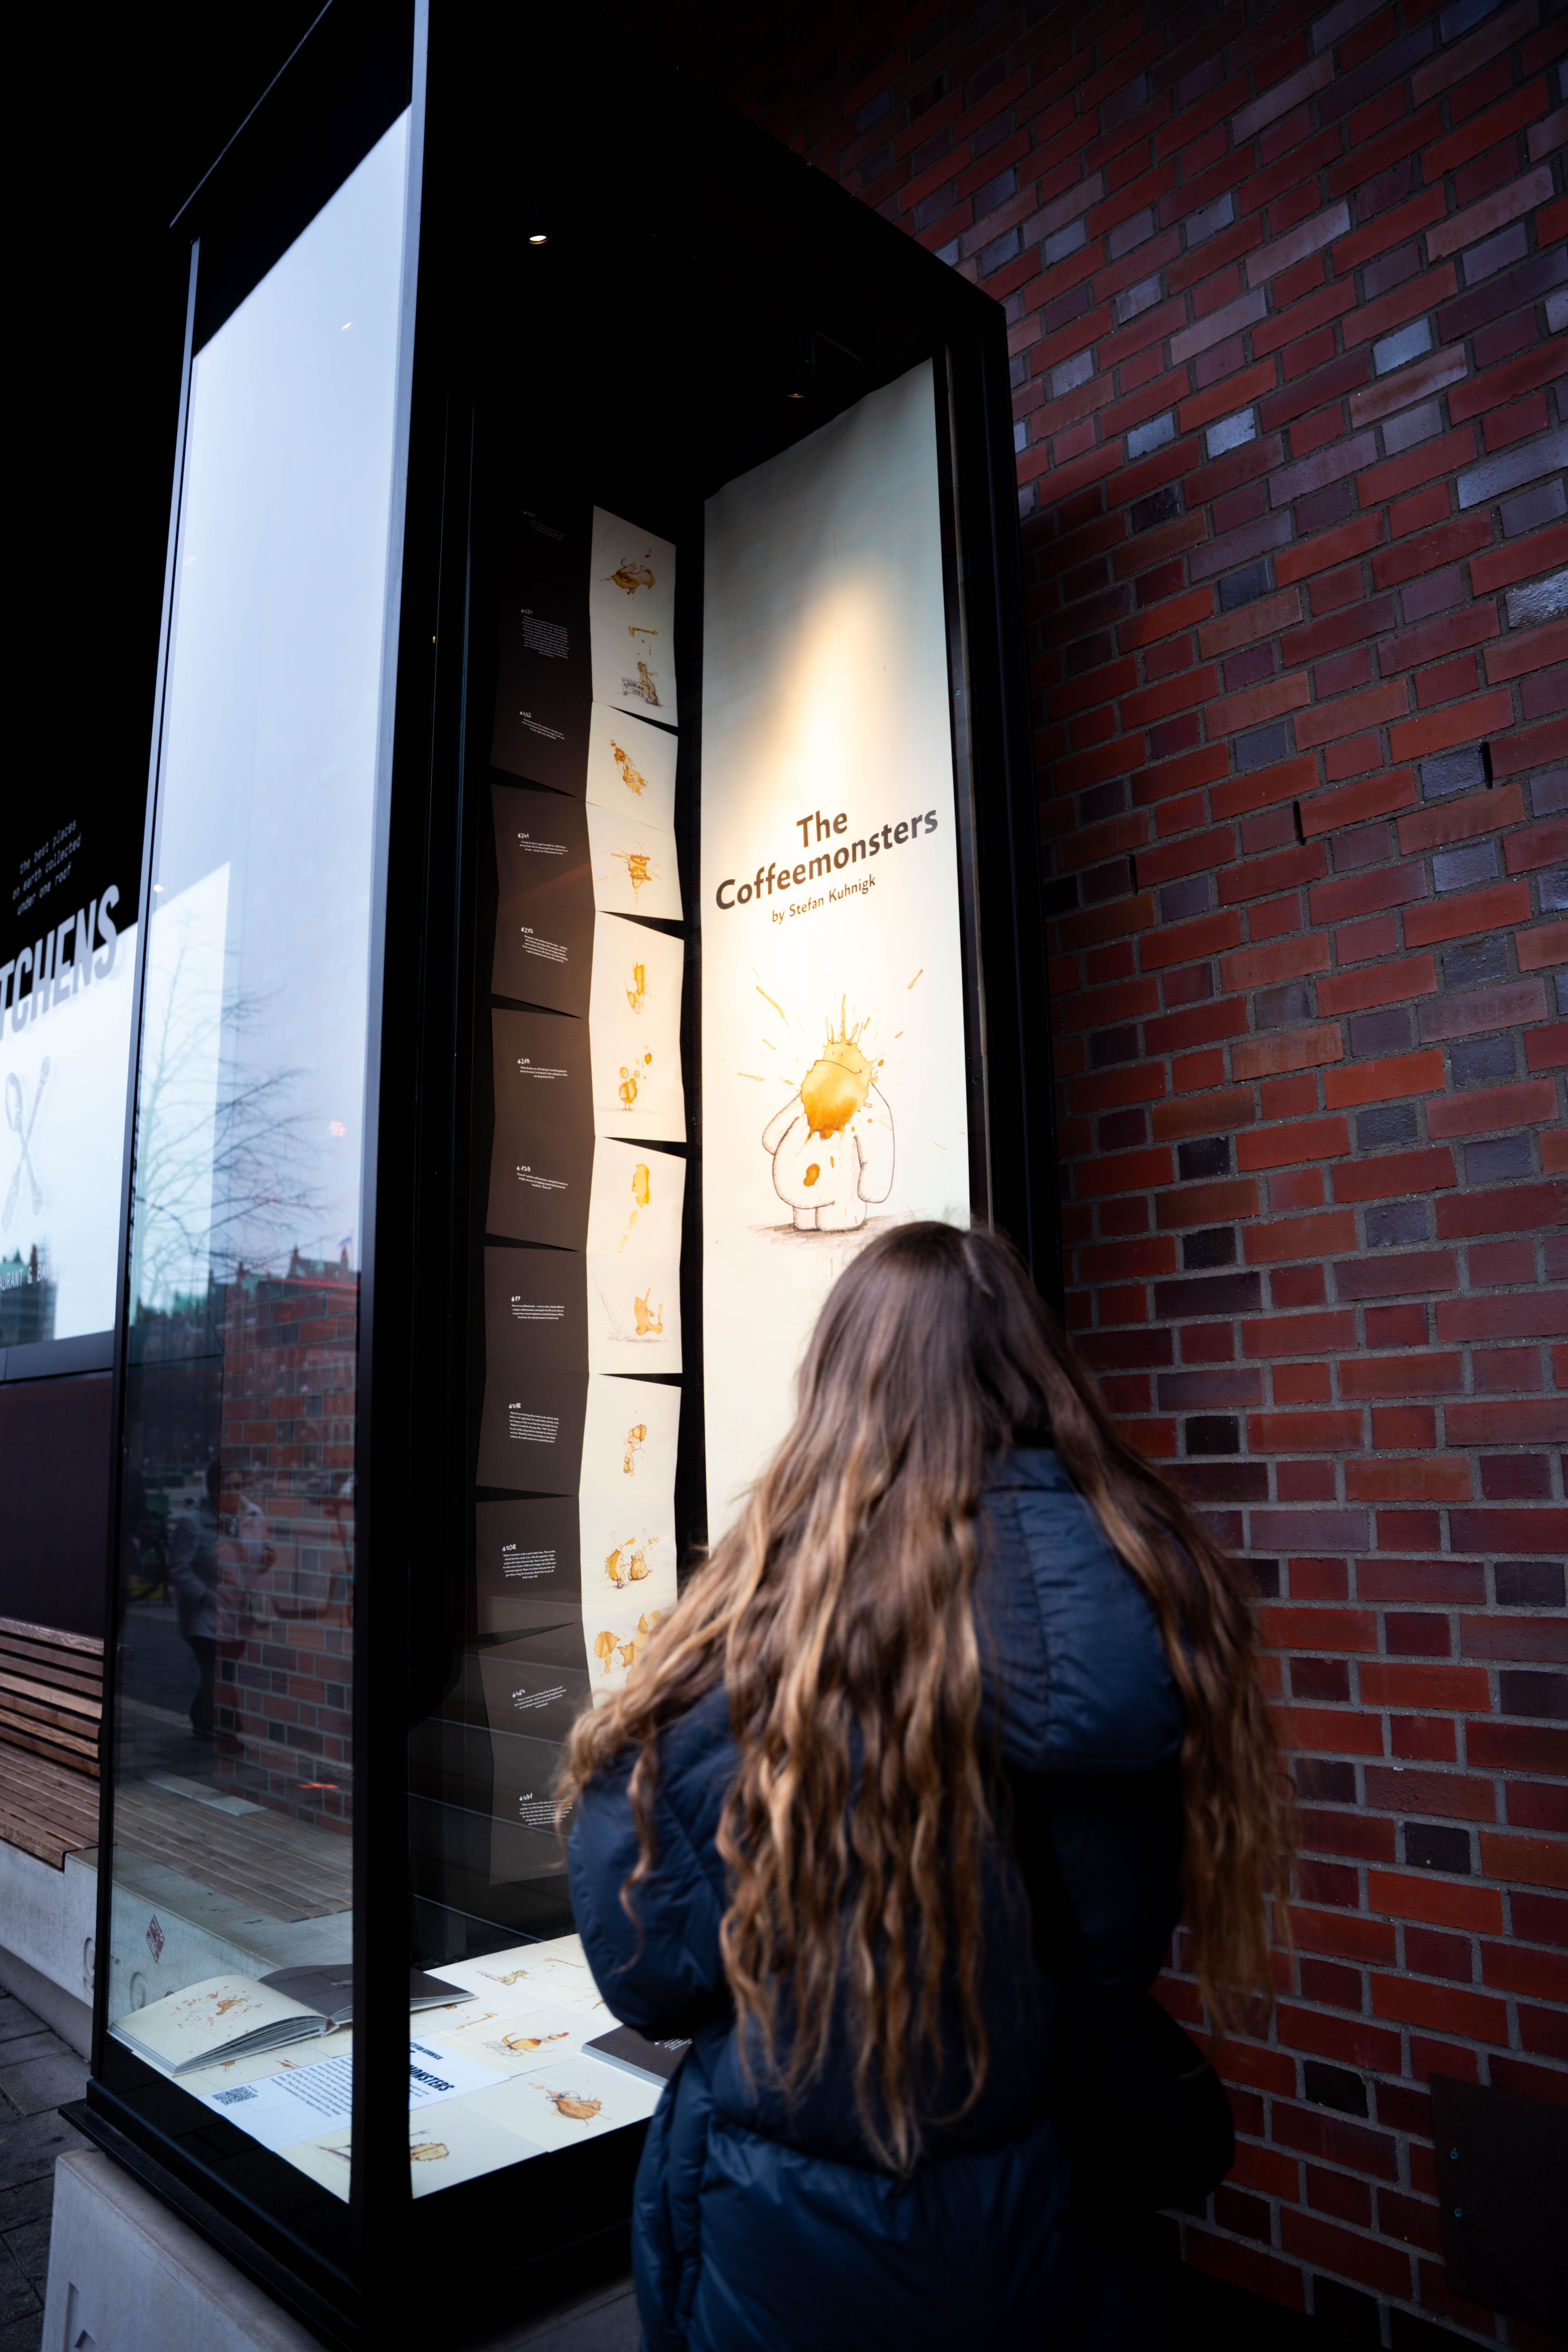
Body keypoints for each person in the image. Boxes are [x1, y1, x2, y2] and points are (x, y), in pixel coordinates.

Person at [561, 1222, 1289, 2351]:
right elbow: (1117, 1938)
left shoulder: (757, 1653)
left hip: (791, 2232)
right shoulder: (1149, 1602)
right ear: (1037, 1374)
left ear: (837, 1390)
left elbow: (649, 1974)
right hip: (1047, 2203)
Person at [168, 1456, 220, 1738]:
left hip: (230, 1614)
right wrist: (205, 1596)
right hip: (202, 1616)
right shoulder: (192, 1523)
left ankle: (205, 1721)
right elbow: (179, 1569)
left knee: (224, 1674)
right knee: (212, 1670)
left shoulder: (239, 1519)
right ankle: (205, 1726)